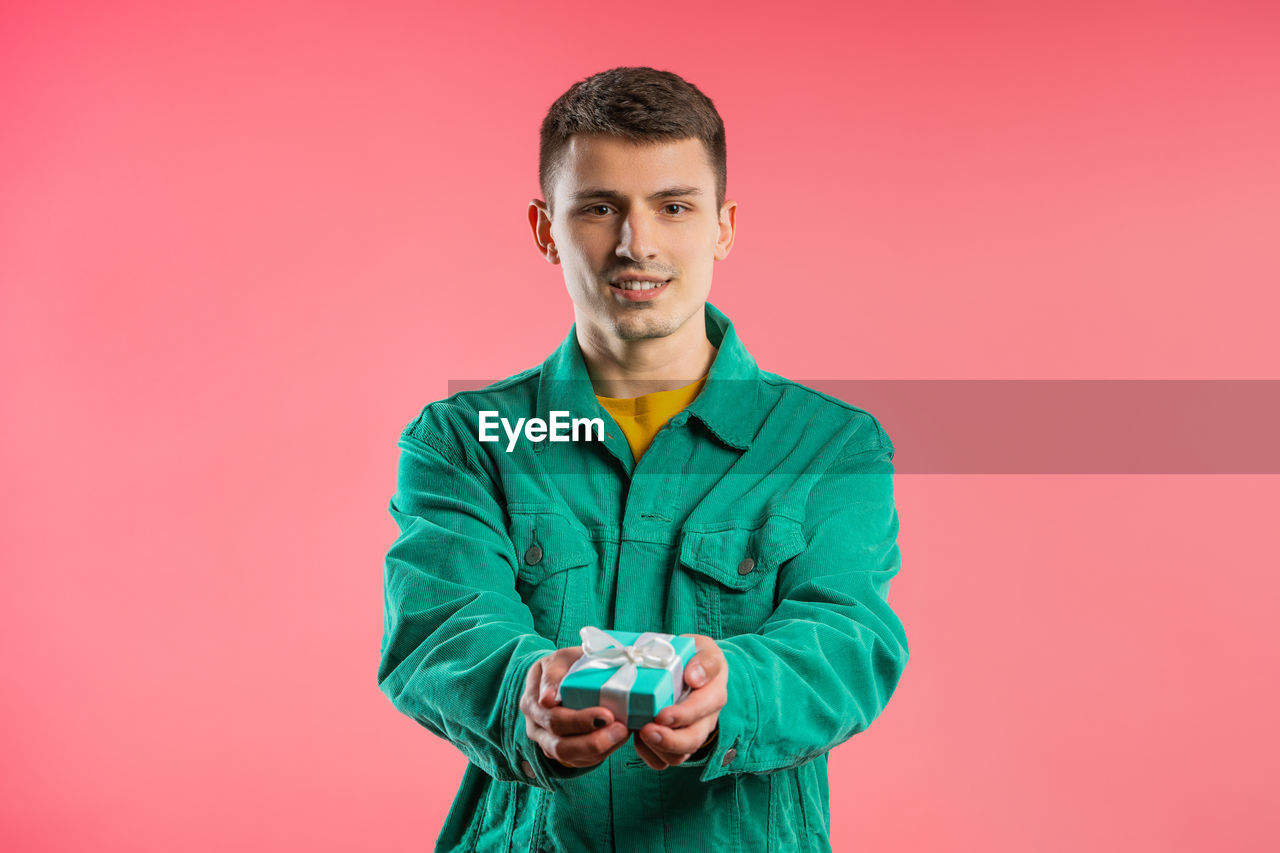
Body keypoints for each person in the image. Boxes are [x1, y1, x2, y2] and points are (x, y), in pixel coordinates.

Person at [378, 66, 909, 852]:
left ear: (723, 226)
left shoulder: (829, 445)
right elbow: (441, 627)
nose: (638, 244)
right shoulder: (465, 442)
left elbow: (851, 637)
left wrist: (736, 686)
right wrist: (525, 689)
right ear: (543, 228)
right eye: (599, 208)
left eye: (674, 206)